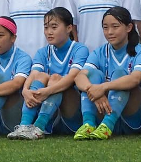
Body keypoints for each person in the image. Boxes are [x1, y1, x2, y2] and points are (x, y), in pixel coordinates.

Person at [74, 6, 141, 140]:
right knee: (92, 75)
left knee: (121, 75)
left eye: (115, 26)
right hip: (106, 110)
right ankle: (88, 124)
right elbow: (80, 77)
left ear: (129, 27)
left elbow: (135, 79)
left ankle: (107, 124)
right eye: (105, 28)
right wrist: (93, 90)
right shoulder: (99, 52)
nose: (110, 32)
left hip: (138, 117)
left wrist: (103, 87)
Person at [9, 8, 89, 139]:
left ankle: (39, 127)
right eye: (46, 27)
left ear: (69, 28)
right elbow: (34, 74)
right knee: (41, 76)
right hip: (45, 104)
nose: (49, 32)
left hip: (71, 110)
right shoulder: (42, 52)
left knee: (56, 78)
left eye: (54, 27)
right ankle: (24, 126)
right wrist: (25, 90)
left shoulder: (80, 49)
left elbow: (72, 77)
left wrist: (48, 91)